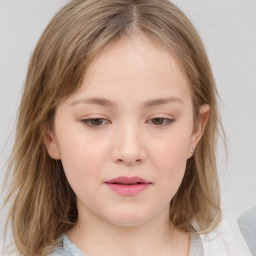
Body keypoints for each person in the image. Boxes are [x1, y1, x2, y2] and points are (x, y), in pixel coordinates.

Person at [2, 0, 252, 255]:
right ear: (50, 135)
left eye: (159, 120)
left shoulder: (242, 244)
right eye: (96, 121)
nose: (130, 151)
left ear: (196, 129)